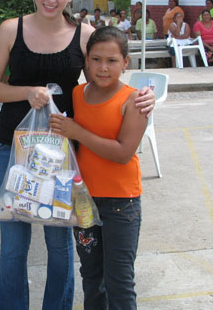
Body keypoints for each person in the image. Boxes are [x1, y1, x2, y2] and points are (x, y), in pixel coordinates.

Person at [0, 0, 155, 310]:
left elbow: (107, 79)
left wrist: (143, 94)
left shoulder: (84, 35)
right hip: (11, 149)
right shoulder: (10, 29)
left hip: (61, 153)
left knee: (60, 244)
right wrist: (26, 92)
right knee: (13, 245)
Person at [49, 26, 147, 309]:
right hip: (83, 202)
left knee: (119, 280)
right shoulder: (78, 94)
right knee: (91, 276)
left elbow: (122, 153)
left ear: (125, 63)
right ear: (86, 61)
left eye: (112, 61)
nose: (103, 68)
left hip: (121, 204)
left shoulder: (134, 101)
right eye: (96, 60)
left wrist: (77, 132)